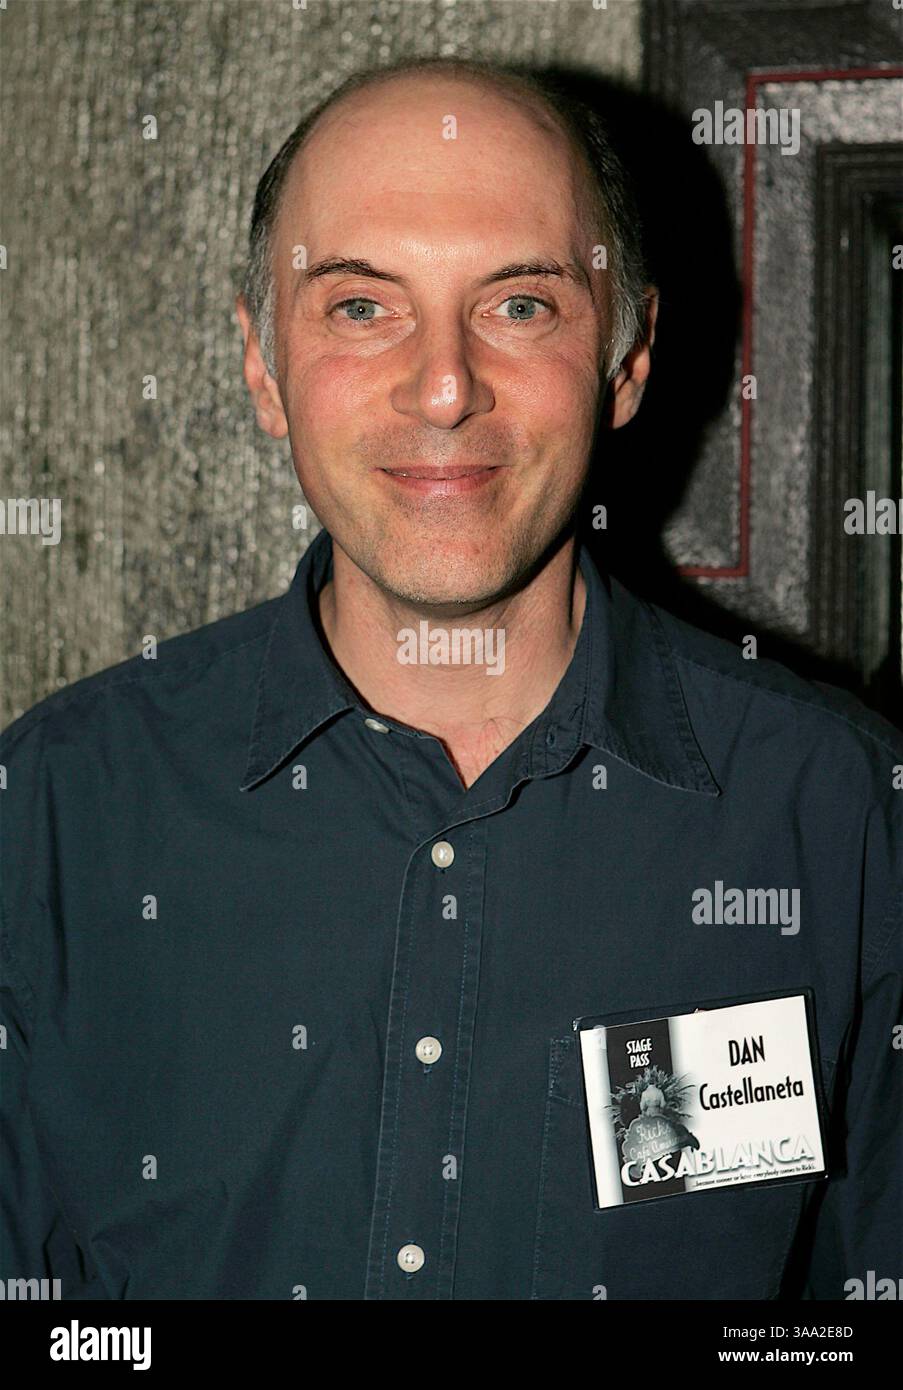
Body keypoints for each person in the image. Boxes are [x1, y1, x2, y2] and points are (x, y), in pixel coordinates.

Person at [1, 56, 900, 1301]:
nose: (443, 387)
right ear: (262, 365)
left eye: (519, 305)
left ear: (628, 362)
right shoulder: (47, 817)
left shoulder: (842, 816)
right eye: (362, 307)